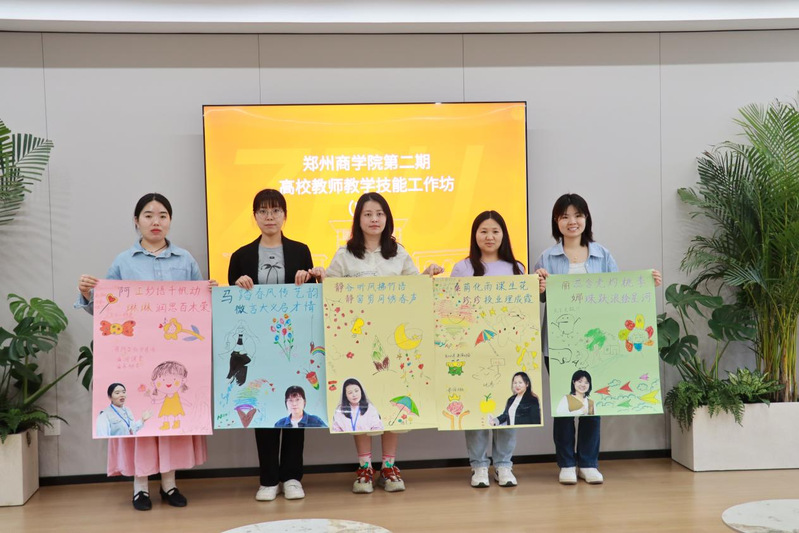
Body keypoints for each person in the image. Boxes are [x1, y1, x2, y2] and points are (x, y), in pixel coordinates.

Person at [76, 192, 215, 511]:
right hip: (136, 356)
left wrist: (209, 293)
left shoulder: (185, 260)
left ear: (170, 221)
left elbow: (202, 307)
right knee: (138, 417)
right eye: (149, 215)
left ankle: (169, 485)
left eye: (163, 215)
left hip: (174, 356)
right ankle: (140, 488)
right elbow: (105, 310)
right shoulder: (124, 262)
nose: (156, 221)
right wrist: (86, 294)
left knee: (170, 419)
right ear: (136, 221)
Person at [534, 193, 662, 486]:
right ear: (556, 221)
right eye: (565, 216)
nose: (572, 221)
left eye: (578, 215)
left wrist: (646, 283)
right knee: (565, 406)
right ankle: (567, 463)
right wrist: (538, 285)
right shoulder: (547, 257)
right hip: (559, 345)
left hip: (597, 345)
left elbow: (617, 292)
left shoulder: (602, 255)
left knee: (594, 403)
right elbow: (540, 299)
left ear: (586, 219)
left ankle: (589, 463)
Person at [325, 192, 444, 494]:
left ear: (387, 218)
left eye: (379, 214)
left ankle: (389, 467)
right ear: (358, 219)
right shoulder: (344, 254)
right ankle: (365, 468)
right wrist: (319, 277)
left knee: (392, 398)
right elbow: (331, 291)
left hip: (394, 342)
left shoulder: (399, 253)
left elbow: (414, 290)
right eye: (368, 214)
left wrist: (427, 275)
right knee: (359, 400)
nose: (374, 219)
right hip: (356, 342)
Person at [227, 188, 323, 502]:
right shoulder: (241, 256)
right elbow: (232, 306)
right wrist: (238, 285)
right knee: (263, 405)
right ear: (254, 216)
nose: (270, 217)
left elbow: (310, 298)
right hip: (258, 349)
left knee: (296, 403)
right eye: (263, 211)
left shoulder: (300, 250)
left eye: (276, 211)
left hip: (292, 345)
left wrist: (308, 278)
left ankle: (292, 477)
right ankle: (268, 478)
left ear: (285, 215)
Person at [451, 210, 535, 489]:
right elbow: (452, 310)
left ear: (504, 235)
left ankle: (503, 465)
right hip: (473, 351)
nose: (489, 236)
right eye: (484, 231)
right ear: (475, 235)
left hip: (509, 351)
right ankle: (478, 466)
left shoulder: (516, 268)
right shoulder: (463, 268)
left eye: (495, 231)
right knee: (477, 407)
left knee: (509, 406)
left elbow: (524, 311)